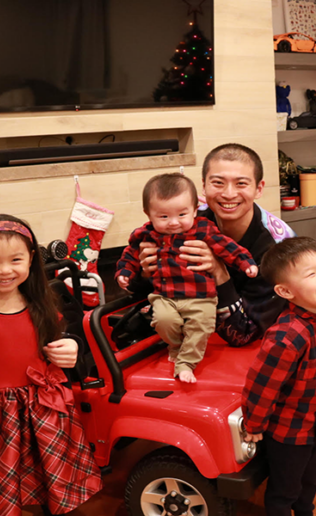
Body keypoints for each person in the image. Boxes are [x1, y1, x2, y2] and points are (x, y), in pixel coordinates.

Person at [0, 214, 102, 516]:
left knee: (49, 480)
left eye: (15, 260)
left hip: (45, 412)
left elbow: (70, 353)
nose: (5, 271)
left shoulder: (44, 308)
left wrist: (74, 347)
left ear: (30, 259)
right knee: (2, 488)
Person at [137, 143, 295, 347]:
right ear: (203, 186)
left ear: (259, 188)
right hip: (197, 329)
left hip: (273, 342)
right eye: (218, 183)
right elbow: (143, 292)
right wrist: (145, 273)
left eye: (241, 184)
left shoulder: (277, 247)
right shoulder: (187, 221)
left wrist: (218, 271)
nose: (229, 194)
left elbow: (244, 334)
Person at [115, 173, 258, 382]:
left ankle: (186, 362)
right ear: (148, 214)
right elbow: (130, 256)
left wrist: (246, 263)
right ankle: (176, 346)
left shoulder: (203, 229)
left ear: (194, 209)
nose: (173, 223)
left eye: (182, 214)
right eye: (163, 217)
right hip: (165, 296)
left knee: (202, 325)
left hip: (201, 296)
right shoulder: (145, 235)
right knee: (164, 321)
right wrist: (124, 273)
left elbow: (227, 247)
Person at [242, 236, 316, 516]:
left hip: (312, 423)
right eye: (312, 274)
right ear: (285, 291)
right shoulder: (286, 336)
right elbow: (262, 386)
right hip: (291, 432)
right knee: (285, 490)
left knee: (309, 483)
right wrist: (254, 424)